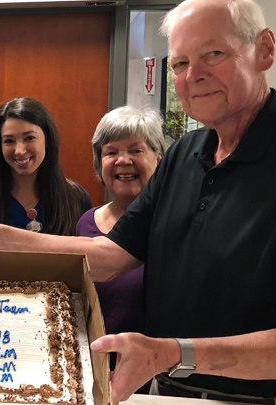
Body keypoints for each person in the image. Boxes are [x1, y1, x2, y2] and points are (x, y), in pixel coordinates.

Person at [0, 1, 276, 403]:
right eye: (178, 63)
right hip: (166, 391)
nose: (194, 75)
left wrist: (175, 353)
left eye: (214, 53)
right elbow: (108, 256)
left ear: (264, 50)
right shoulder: (184, 155)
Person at [75, 106, 165, 373]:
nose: (122, 160)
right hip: (94, 372)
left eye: (136, 150)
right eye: (111, 152)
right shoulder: (86, 222)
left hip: (158, 378)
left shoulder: (175, 225)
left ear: (159, 160)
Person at [0, 97, 92, 235]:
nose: (19, 150)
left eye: (29, 138)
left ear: (47, 139)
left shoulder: (76, 198)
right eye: (9, 141)